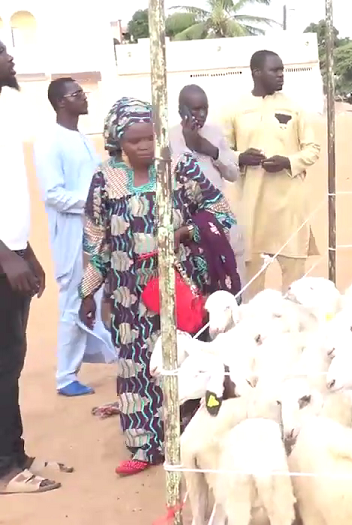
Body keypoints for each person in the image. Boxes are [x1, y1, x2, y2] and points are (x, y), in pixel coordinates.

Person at [78, 97, 236, 476]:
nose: (145, 146)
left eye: (150, 137)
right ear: (117, 142)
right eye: (134, 141)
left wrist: (185, 232)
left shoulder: (179, 169)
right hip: (127, 295)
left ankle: (187, 442)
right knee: (136, 369)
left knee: (183, 363)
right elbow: (96, 239)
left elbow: (220, 212)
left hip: (179, 288)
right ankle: (144, 446)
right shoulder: (105, 179)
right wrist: (88, 293)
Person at [0, 39, 74, 495]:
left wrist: (24, 250)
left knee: (11, 360)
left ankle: (15, 454)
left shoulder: (5, 112)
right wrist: (5, 255)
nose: (9, 58)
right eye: (0, 53)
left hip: (11, 255)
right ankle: (4, 470)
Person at [33, 77, 116, 398]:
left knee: (95, 295)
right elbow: (53, 194)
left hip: (93, 232)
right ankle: (65, 377)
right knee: (73, 300)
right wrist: (92, 202)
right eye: (76, 94)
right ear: (61, 102)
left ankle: (99, 358)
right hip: (71, 235)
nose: (84, 97)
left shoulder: (80, 137)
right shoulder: (49, 141)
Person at [223, 50, 321, 298]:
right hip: (251, 207)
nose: (281, 75)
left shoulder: (294, 108)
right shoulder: (235, 109)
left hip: (289, 207)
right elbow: (220, 151)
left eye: (282, 70)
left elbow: (312, 149)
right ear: (256, 72)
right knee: (251, 285)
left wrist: (288, 162)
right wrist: (240, 158)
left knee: (295, 287)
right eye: (274, 70)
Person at [170, 84, 246, 288]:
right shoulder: (169, 138)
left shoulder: (215, 133)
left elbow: (233, 174)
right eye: (195, 109)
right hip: (186, 224)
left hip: (218, 218)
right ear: (181, 110)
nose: (202, 114)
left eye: (205, 108)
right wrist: (189, 144)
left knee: (231, 278)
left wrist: (211, 151)